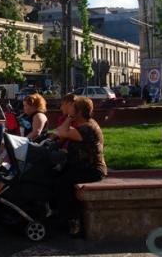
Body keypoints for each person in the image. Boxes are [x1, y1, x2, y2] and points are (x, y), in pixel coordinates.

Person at [52, 96, 107, 236]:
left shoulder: (86, 128)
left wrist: (69, 117)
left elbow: (61, 132)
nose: (68, 109)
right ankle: (62, 216)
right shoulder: (84, 124)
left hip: (92, 170)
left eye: (72, 108)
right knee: (57, 175)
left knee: (62, 183)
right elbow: (59, 132)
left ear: (79, 112)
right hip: (82, 167)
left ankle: (72, 220)